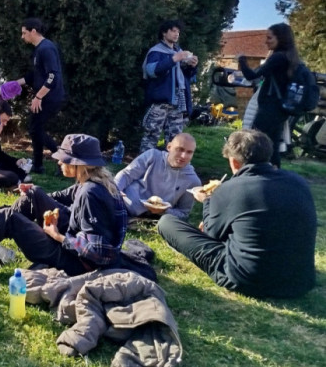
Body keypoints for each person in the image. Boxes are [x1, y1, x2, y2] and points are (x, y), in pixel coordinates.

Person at [0, 134, 127, 277]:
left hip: (77, 262)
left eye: (63, 159)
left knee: (8, 217)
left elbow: (100, 252)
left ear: (78, 163)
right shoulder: (94, 180)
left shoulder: (91, 194)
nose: (58, 162)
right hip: (74, 237)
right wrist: (34, 195)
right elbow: (65, 195)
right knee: (34, 193)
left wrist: (56, 235)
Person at [157, 130, 316, 298]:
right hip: (299, 282)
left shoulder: (230, 188)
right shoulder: (298, 181)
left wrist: (207, 201)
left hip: (247, 280)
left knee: (167, 222)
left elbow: (212, 235)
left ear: (234, 162)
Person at [238, 23, 300, 168]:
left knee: (256, 144)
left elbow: (251, 75)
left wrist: (241, 59)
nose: (266, 41)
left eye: (269, 38)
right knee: (273, 148)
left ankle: (255, 176)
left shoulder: (278, 57)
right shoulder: (290, 57)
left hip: (269, 110)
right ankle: (274, 178)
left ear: (281, 38)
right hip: (280, 110)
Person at [140, 20, 198, 152]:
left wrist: (193, 66)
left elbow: (186, 77)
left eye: (178, 31)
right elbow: (152, 71)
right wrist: (174, 59)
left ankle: (170, 169)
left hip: (177, 102)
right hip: (159, 103)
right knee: (151, 137)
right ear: (164, 33)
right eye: (173, 31)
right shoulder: (156, 51)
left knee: (175, 140)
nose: (176, 34)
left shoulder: (180, 52)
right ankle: (143, 168)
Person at [17, 18, 66, 174]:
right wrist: (13, 84)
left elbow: (53, 76)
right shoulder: (39, 49)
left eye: (24, 33)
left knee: (35, 129)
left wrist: (38, 97)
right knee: (35, 128)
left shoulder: (46, 49)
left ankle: (62, 157)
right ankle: (38, 165)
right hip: (44, 96)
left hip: (50, 97)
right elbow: (36, 75)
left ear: (33, 31)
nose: (22, 37)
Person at [115, 133, 201, 220]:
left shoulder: (192, 181)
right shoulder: (153, 156)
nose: (183, 156)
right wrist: (115, 190)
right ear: (169, 147)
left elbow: (183, 213)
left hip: (155, 218)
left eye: (189, 152)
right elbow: (126, 174)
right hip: (125, 202)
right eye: (180, 149)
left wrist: (164, 211)